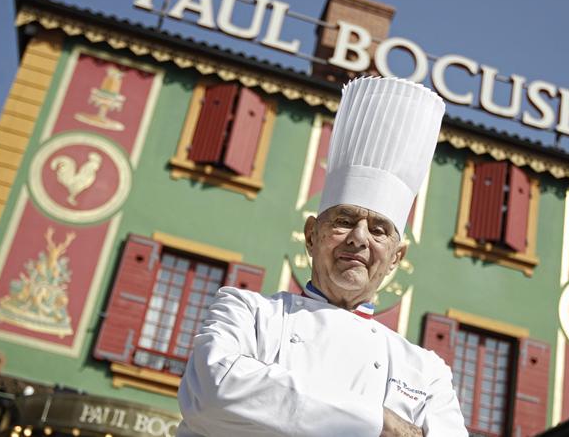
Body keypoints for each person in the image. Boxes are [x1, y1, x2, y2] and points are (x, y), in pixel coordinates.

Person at [177, 77, 467, 436]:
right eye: (344, 222)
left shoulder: (426, 371)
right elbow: (213, 390)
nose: (358, 239)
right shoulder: (249, 313)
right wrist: (376, 422)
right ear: (312, 235)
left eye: (378, 230)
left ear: (396, 257)